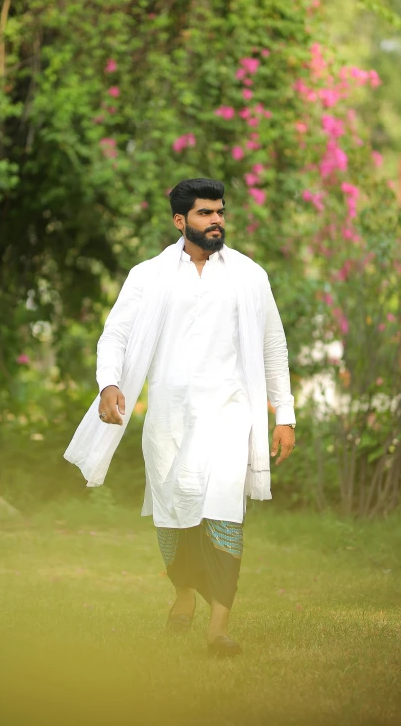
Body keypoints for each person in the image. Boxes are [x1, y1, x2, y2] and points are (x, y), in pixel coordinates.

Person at [78, 178, 296, 657]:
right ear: (180, 221)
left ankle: (219, 628)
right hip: (169, 417)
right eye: (204, 213)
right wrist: (109, 383)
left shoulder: (248, 276)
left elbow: (272, 346)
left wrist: (285, 415)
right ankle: (182, 592)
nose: (216, 220)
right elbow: (114, 335)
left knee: (223, 511)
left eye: (220, 211)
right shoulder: (149, 275)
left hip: (229, 413)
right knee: (173, 516)